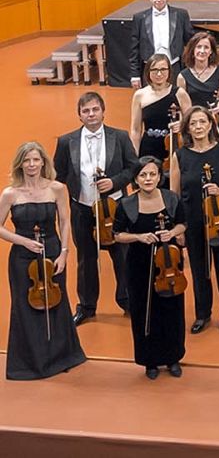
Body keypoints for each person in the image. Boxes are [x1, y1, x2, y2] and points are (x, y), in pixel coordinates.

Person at [3, 141, 87, 380]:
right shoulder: (10, 193)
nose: (31, 165)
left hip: (52, 253)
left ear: (43, 162)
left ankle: (60, 357)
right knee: (24, 307)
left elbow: (64, 222)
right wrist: (23, 241)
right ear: (20, 163)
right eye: (27, 160)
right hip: (22, 258)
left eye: (36, 160)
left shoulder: (57, 189)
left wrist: (64, 252)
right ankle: (29, 363)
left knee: (56, 304)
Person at [53, 91, 137, 324]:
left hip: (116, 208)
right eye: (86, 111)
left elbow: (133, 168)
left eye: (95, 109)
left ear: (103, 111)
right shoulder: (65, 141)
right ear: (79, 115)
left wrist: (115, 182)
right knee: (86, 260)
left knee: (122, 256)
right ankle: (87, 306)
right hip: (83, 208)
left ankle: (128, 301)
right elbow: (58, 175)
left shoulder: (119, 137)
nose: (91, 114)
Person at [168, 105, 219, 335]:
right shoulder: (179, 155)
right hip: (193, 220)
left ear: (210, 125)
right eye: (193, 123)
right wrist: (177, 227)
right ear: (187, 128)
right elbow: (174, 194)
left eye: (202, 122)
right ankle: (203, 314)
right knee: (200, 269)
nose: (198, 127)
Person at [113, 157, 187, 379]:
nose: (148, 179)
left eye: (152, 174)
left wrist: (172, 233)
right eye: (143, 175)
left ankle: (173, 358)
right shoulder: (126, 205)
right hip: (140, 263)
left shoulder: (172, 199)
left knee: (172, 309)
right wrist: (138, 236)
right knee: (144, 311)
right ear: (136, 179)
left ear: (159, 176)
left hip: (169, 261)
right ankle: (150, 361)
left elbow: (183, 224)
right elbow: (117, 235)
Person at [130, 54, 191, 166]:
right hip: (149, 148)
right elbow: (135, 130)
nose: (159, 74)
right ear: (148, 71)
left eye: (163, 69)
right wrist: (134, 158)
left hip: (174, 145)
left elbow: (191, 122)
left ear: (169, 71)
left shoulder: (180, 93)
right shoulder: (140, 95)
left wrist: (181, 124)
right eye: (154, 70)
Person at [130, 0, 194, 88]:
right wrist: (135, 75)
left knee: (175, 101)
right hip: (149, 68)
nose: (159, 0)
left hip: (174, 67)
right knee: (150, 102)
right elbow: (134, 49)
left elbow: (191, 43)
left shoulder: (181, 15)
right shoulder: (139, 18)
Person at [177, 31, 219, 134]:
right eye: (198, 47)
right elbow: (181, 106)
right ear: (193, 50)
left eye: (206, 47)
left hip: (216, 121)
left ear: (211, 52)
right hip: (195, 125)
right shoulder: (182, 76)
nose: (202, 51)